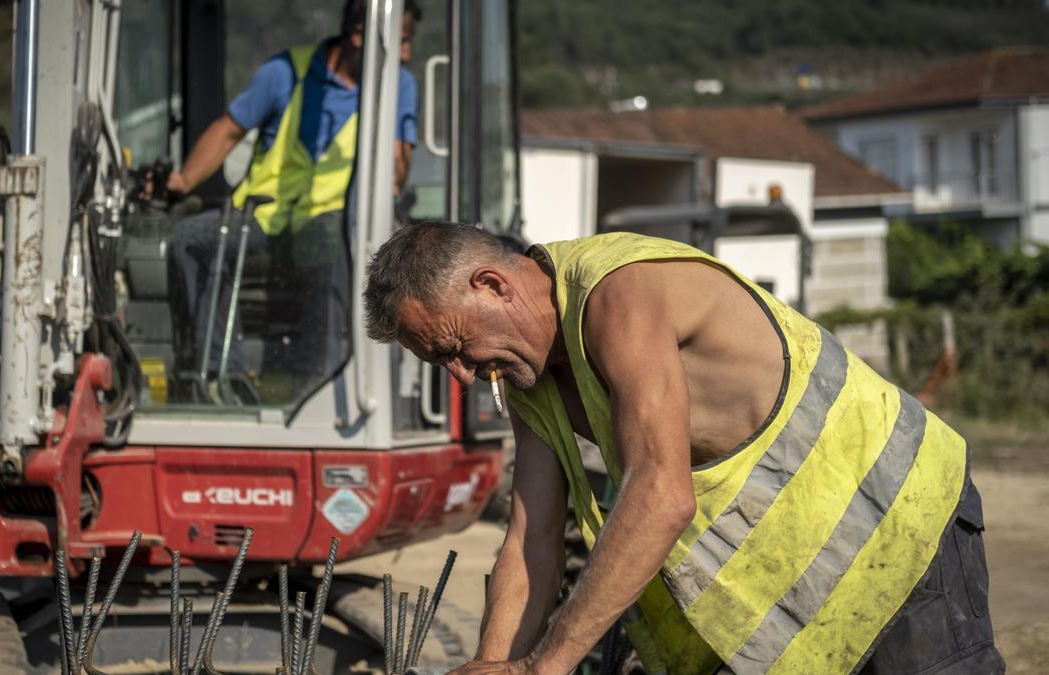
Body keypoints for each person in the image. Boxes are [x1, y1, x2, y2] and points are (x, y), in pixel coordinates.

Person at [362, 223, 1004, 674]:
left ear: (493, 285)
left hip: (895, 520)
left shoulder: (621, 292)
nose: (461, 374)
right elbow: (529, 547)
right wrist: (493, 666)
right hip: (806, 582)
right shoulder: (530, 385)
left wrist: (542, 667)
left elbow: (661, 495)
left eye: (452, 347)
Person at [166, 0, 420, 402]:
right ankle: (222, 379)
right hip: (263, 216)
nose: (405, 54)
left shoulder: (397, 84)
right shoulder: (285, 73)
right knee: (191, 239)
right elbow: (229, 131)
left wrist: (391, 127)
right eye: (401, 41)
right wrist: (182, 181)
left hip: (331, 221)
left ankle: (314, 385)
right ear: (361, 34)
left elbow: (397, 171)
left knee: (325, 246)